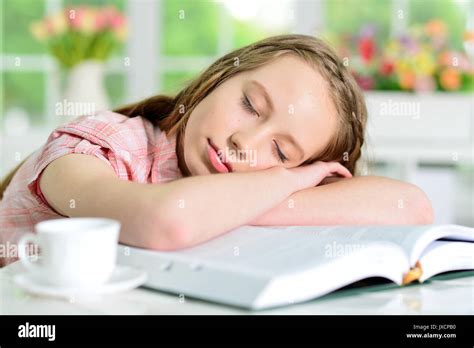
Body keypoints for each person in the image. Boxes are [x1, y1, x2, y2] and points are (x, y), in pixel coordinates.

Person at [0, 34, 433, 267]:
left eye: (282, 151)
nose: (245, 143)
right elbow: (164, 222)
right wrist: (289, 177)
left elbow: (409, 206)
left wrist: (266, 194)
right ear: (219, 77)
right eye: (250, 105)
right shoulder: (96, 144)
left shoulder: (240, 186)